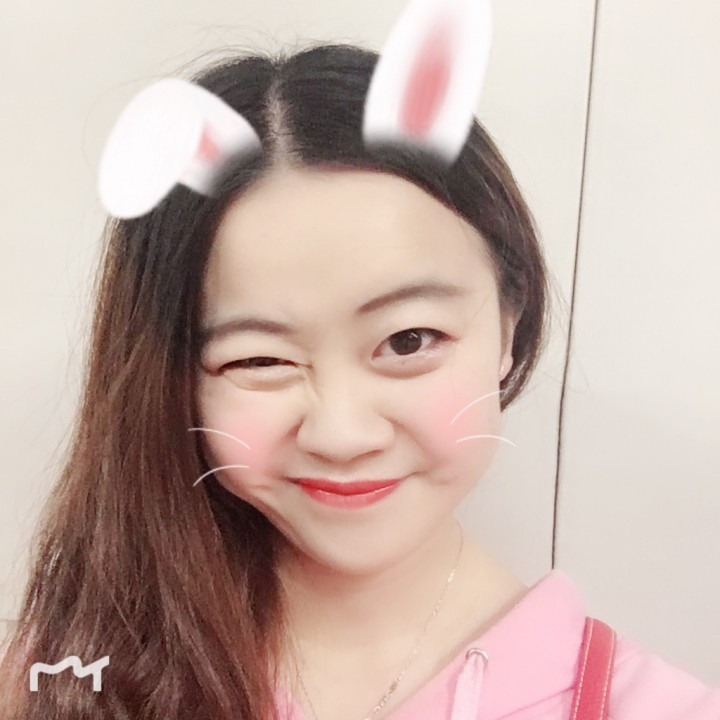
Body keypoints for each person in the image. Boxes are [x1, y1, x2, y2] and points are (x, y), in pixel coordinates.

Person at [2, 33, 719, 720]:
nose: (341, 435)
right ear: (176, 379)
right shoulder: (65, 678)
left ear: (509, 325)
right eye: (259, 360)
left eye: (408, 340)